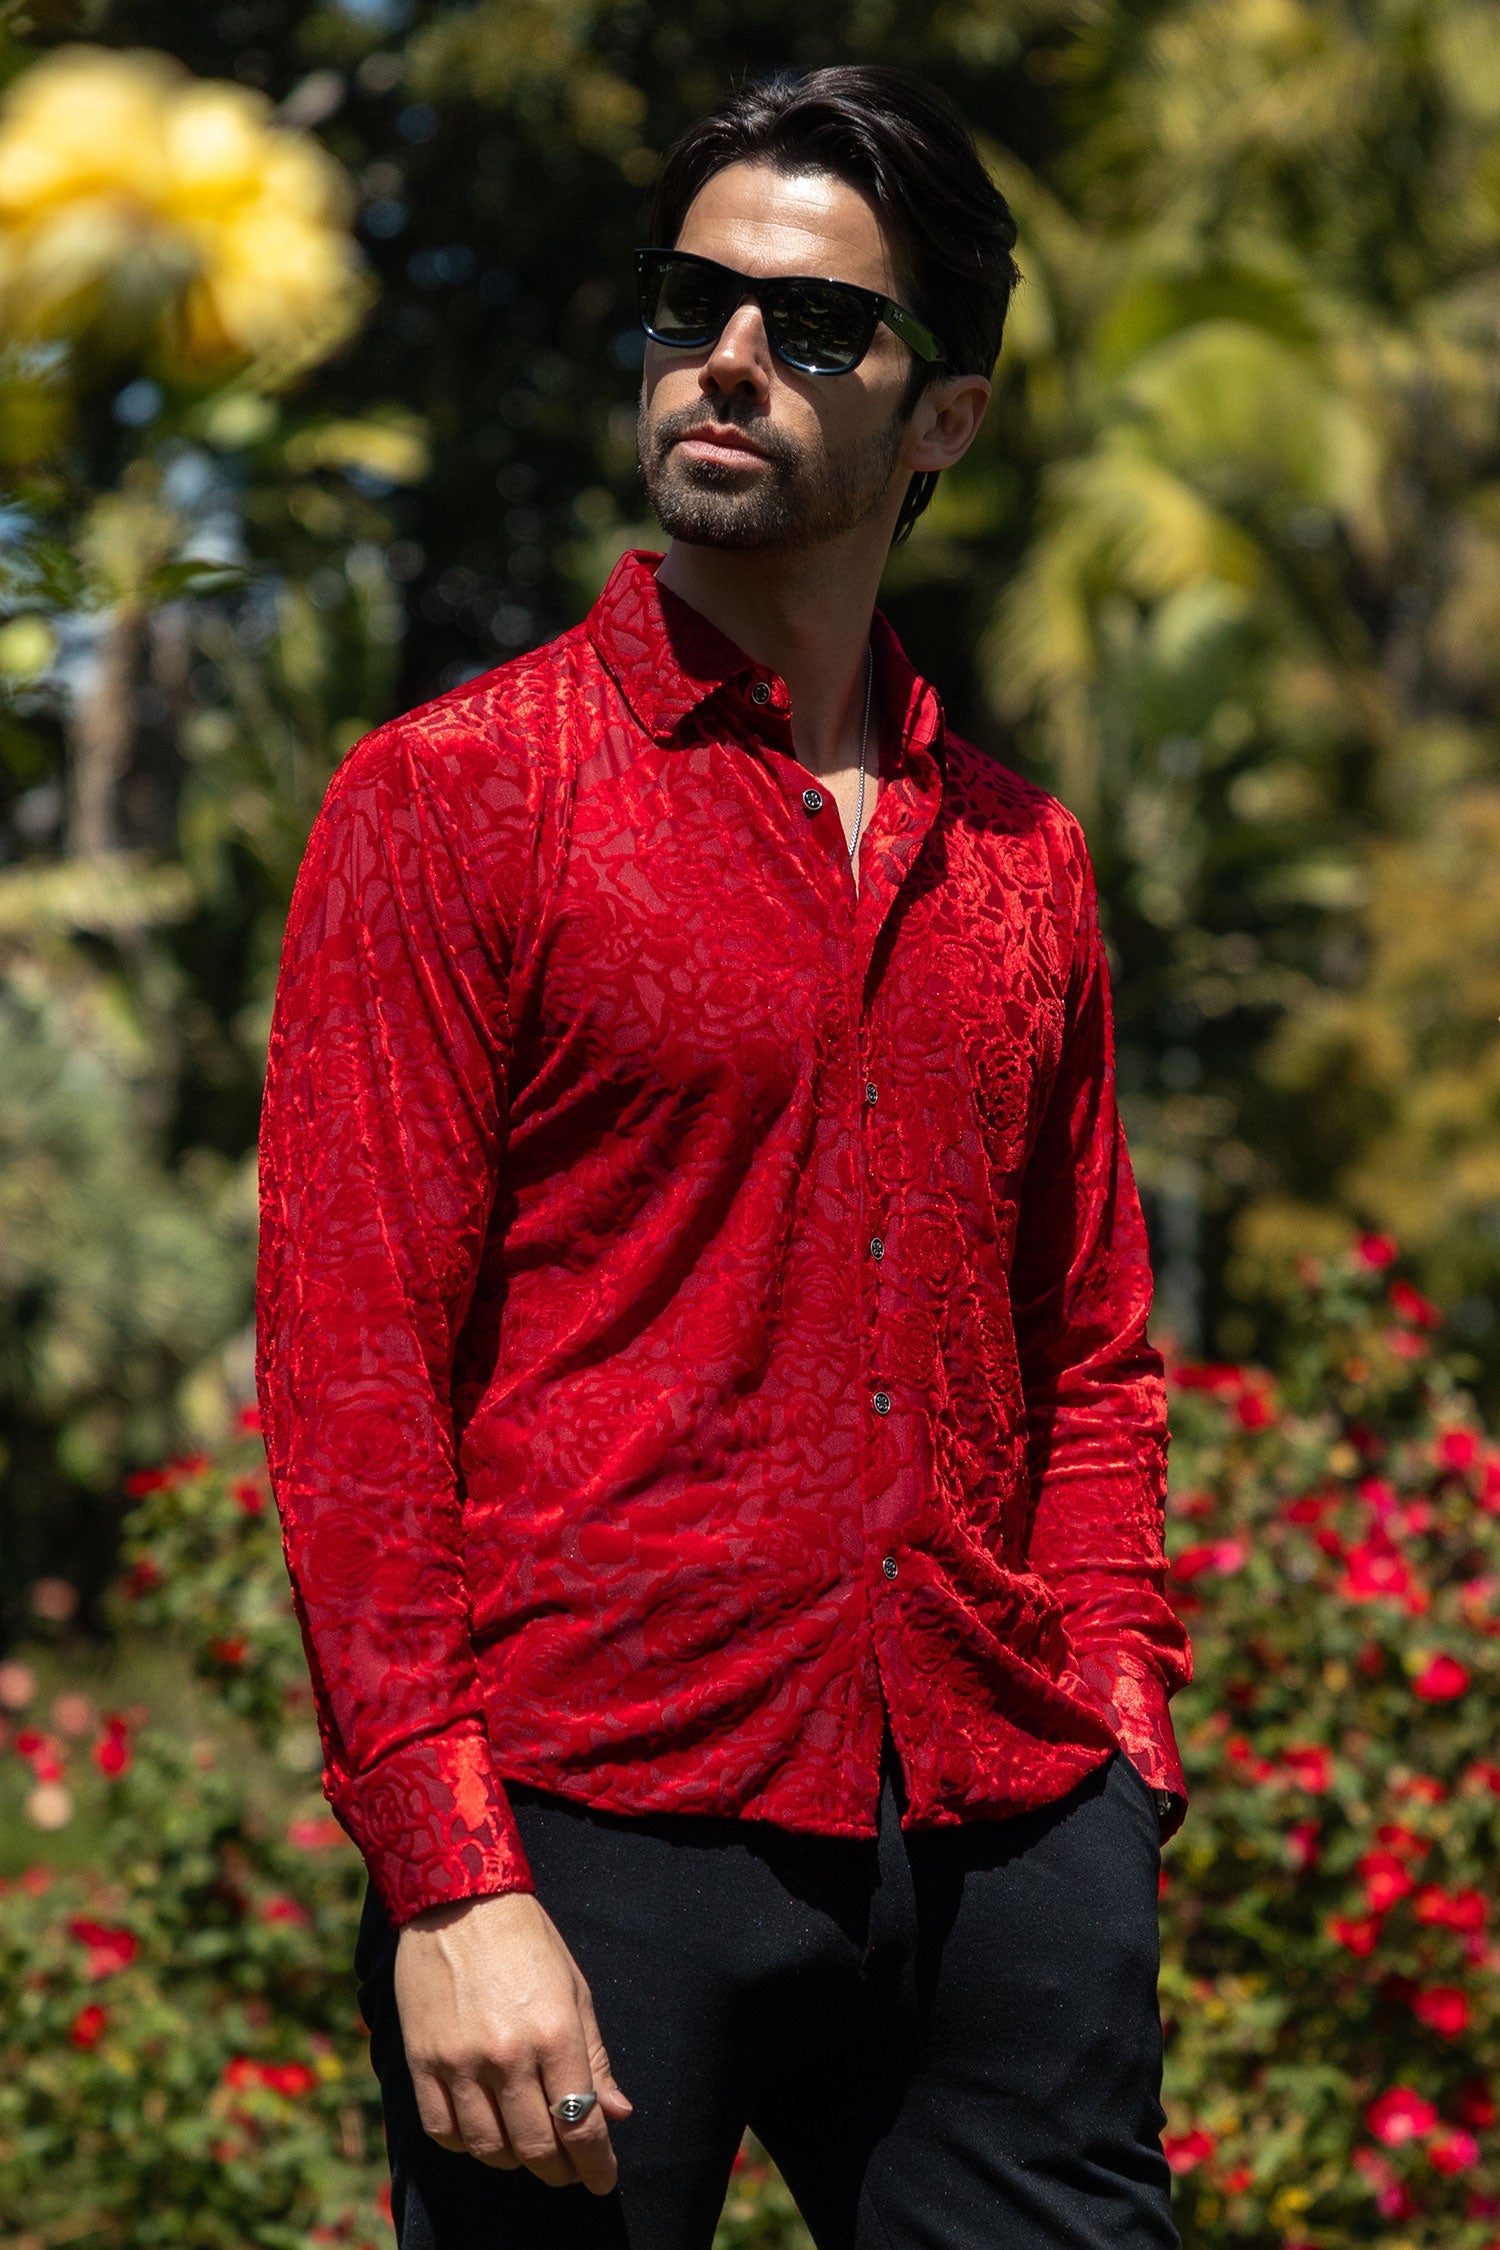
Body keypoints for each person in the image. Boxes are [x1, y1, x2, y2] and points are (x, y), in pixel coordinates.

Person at [255, 61, 1192, 2250]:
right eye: (691, 306)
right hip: (586, 1845)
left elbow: (1090, 1349)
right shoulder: (455, 798)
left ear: (944, 416)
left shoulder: (1024, 864)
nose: (731, 360)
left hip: (999, 1830)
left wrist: (1120, 1744)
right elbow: (352, 1376)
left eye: (817, 326)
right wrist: (450, 1880)